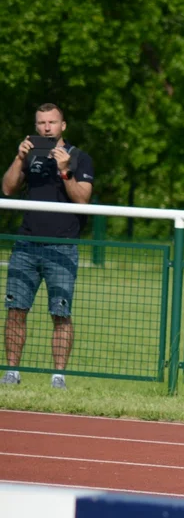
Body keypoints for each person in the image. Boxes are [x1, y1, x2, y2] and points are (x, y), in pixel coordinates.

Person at [1, 103, 94, 389]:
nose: (46, 128)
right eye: (41, 123)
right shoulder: (29, 156)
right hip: (26, 244)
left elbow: (82, 199)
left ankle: (58, 378)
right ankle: (11, 373)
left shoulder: (79, 158)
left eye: (52, 122)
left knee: (61, 312)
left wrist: (65, 171)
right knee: (16, 310)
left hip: (62, 246)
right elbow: (7, 189)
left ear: (63, 125)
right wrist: (19, 158)